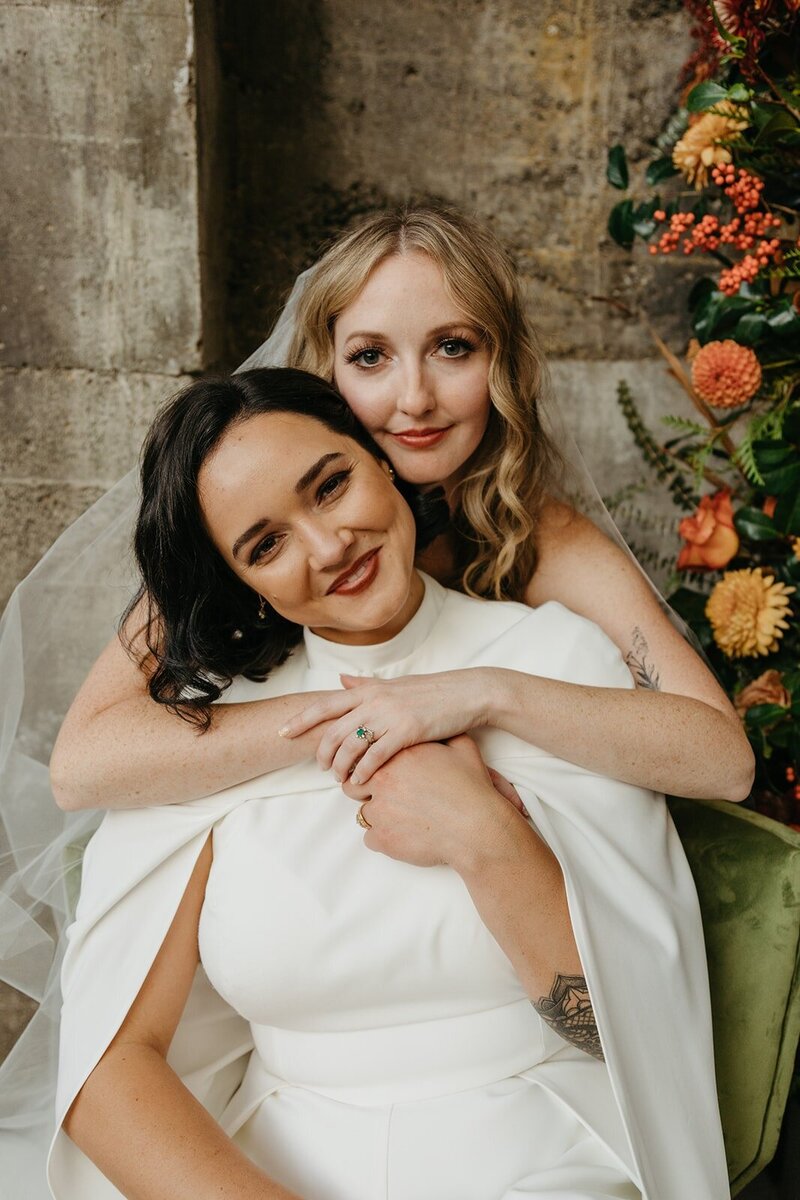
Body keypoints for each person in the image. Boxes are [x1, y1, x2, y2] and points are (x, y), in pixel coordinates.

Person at [50, 368, 728, 1200]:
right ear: (241, 584)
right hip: (266, 1165)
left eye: (331, 485)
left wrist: (489, 839)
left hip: (545, 1147)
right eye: (266, 544)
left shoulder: (552, 662)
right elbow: (108, 1065)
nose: (329, 547)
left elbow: (628, 1031)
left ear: (385, 460)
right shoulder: (206, 742)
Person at [48, 204, 754, 814]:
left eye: (452, 348)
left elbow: (723, 760)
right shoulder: (260, 526)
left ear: (502, 364)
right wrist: (364, 714)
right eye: (370, 357)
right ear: (325, 368)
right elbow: (81, 766)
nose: (415, 398)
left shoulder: (541, 534)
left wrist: (480, 695)